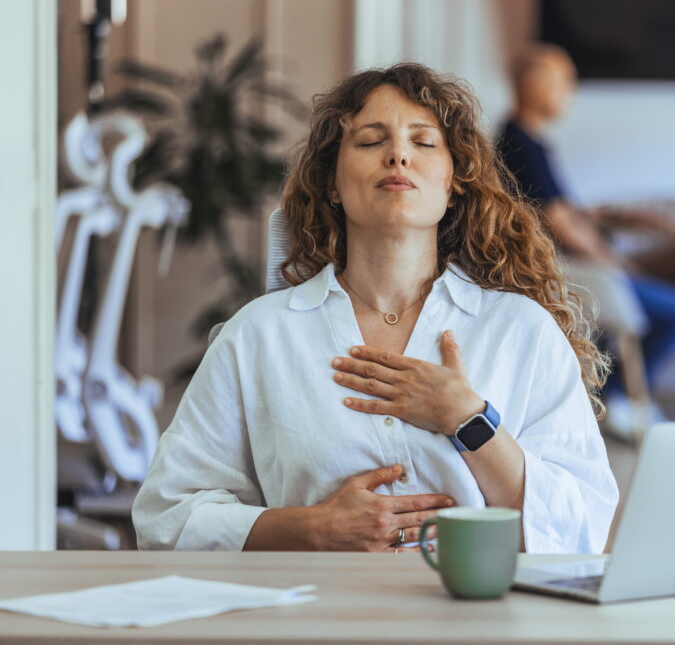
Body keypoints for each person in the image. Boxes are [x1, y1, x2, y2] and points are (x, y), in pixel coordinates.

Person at [132, 63, 619, 554]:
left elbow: (585, 525)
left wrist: (468, 419)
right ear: (332, 185)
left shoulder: (521, 332)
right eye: (370, 141)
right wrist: (309, 529)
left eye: (423, 143)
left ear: (453, 185)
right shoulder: (258, 335)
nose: (398, 155)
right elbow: (165, 514)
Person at [495, 44, 675, 429]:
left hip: (580, 266)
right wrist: (617, 264)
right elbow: (557, 223)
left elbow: (558, 208)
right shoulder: (519, 144)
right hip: (569, 271)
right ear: (533, 84)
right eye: (564, 81)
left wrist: (606, 215)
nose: (569, 92)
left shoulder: (531, 142)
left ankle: (611, 398)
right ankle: (618, 398)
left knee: (674, 300)